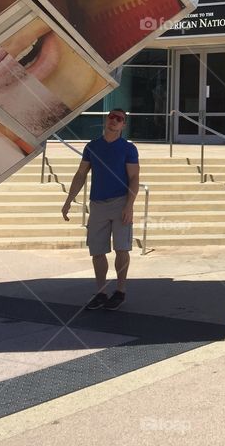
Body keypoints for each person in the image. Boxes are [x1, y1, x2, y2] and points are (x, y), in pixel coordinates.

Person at [62, 108, 140, 311]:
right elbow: (81, 174)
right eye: (112, 117)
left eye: (119, 119)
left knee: (122, 248)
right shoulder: (92, 146)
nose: (114, 121)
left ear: (123, 125)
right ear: (107, 120)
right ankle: (101, 292)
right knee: (97, 250)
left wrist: (129, 206)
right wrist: (69, 199)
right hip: (97, 204)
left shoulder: (128, 148)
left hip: (120, 201)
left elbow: (134, 178)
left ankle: (120, 291)